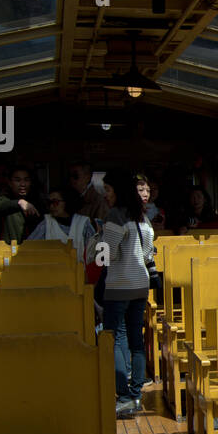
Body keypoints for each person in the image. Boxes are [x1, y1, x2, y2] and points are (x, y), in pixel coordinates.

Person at [94, 169, 154, 417]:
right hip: (141, 286)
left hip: (118, 286)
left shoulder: (115, 216)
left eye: (107, 190)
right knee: (136, 341)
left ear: (117, 191)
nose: (105, 195)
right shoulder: (143, 217)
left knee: (115, 337)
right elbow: (149, 253)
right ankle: (137, 394)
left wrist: (99, 239)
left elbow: (107, 256)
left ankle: (124, 395)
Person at [0, 165, 43, 243]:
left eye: (26, 180)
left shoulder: (38, 202)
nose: (22, 184)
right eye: (17, 180)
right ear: (10, 183)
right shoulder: (5, 200)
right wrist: (20, 202)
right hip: (12, 250)